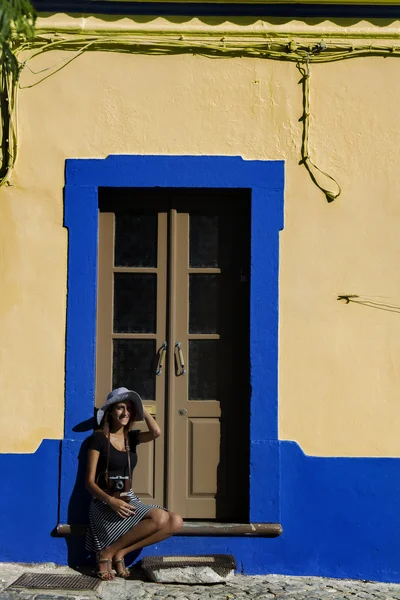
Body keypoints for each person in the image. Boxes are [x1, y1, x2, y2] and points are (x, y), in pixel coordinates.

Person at [85, 387, 183, 580]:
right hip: (105, 502)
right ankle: (107, 553)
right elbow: (88, 482)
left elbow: (156, 432)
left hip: (128, 498)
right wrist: (111, 501)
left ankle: (117, 552)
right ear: (111, 411)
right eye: (121, 408)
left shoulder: (131, 438)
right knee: (160, 518)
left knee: (176, 521)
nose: (125, 413)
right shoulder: (97, 439)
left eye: (129, 409)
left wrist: (140, 407)